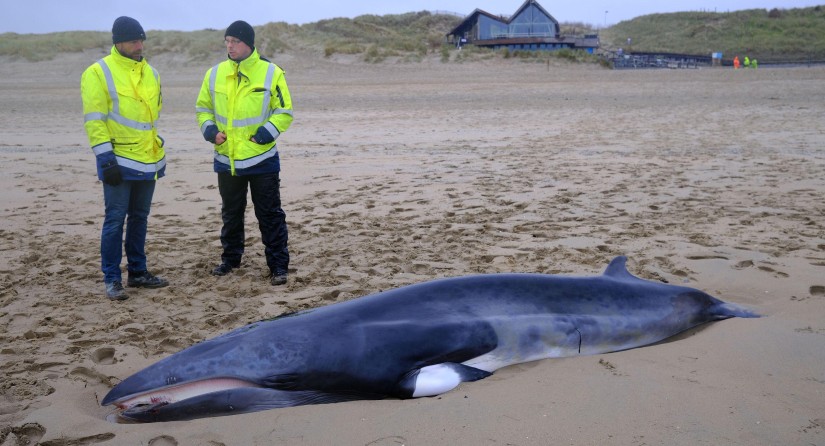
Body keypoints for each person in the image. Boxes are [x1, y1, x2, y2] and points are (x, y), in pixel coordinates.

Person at [195, 20, 294, 286]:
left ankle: (278, 266)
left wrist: (266, 133)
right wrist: (210, 131)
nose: (230, 46)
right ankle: (230, 260)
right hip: (226, 159)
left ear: (248, 44)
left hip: (262, 158)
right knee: (231, 213)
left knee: (270, 214)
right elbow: (203, 109)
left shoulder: (272, 73)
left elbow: (284, 112)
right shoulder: (214, 74)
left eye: (235, 41)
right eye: (227, 41)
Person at [80, 16, 170, 301]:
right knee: (115, 219)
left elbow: (152, 114)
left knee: (140, 218)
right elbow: (95, 120)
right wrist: (105, 158)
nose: (139, 45)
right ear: (117, 42)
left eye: (141, 40)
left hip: (148, 157)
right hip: (117, 160)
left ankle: (138, 272)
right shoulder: (97, 72)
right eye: (133, 40)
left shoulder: (152, 73)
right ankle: (112, 278)